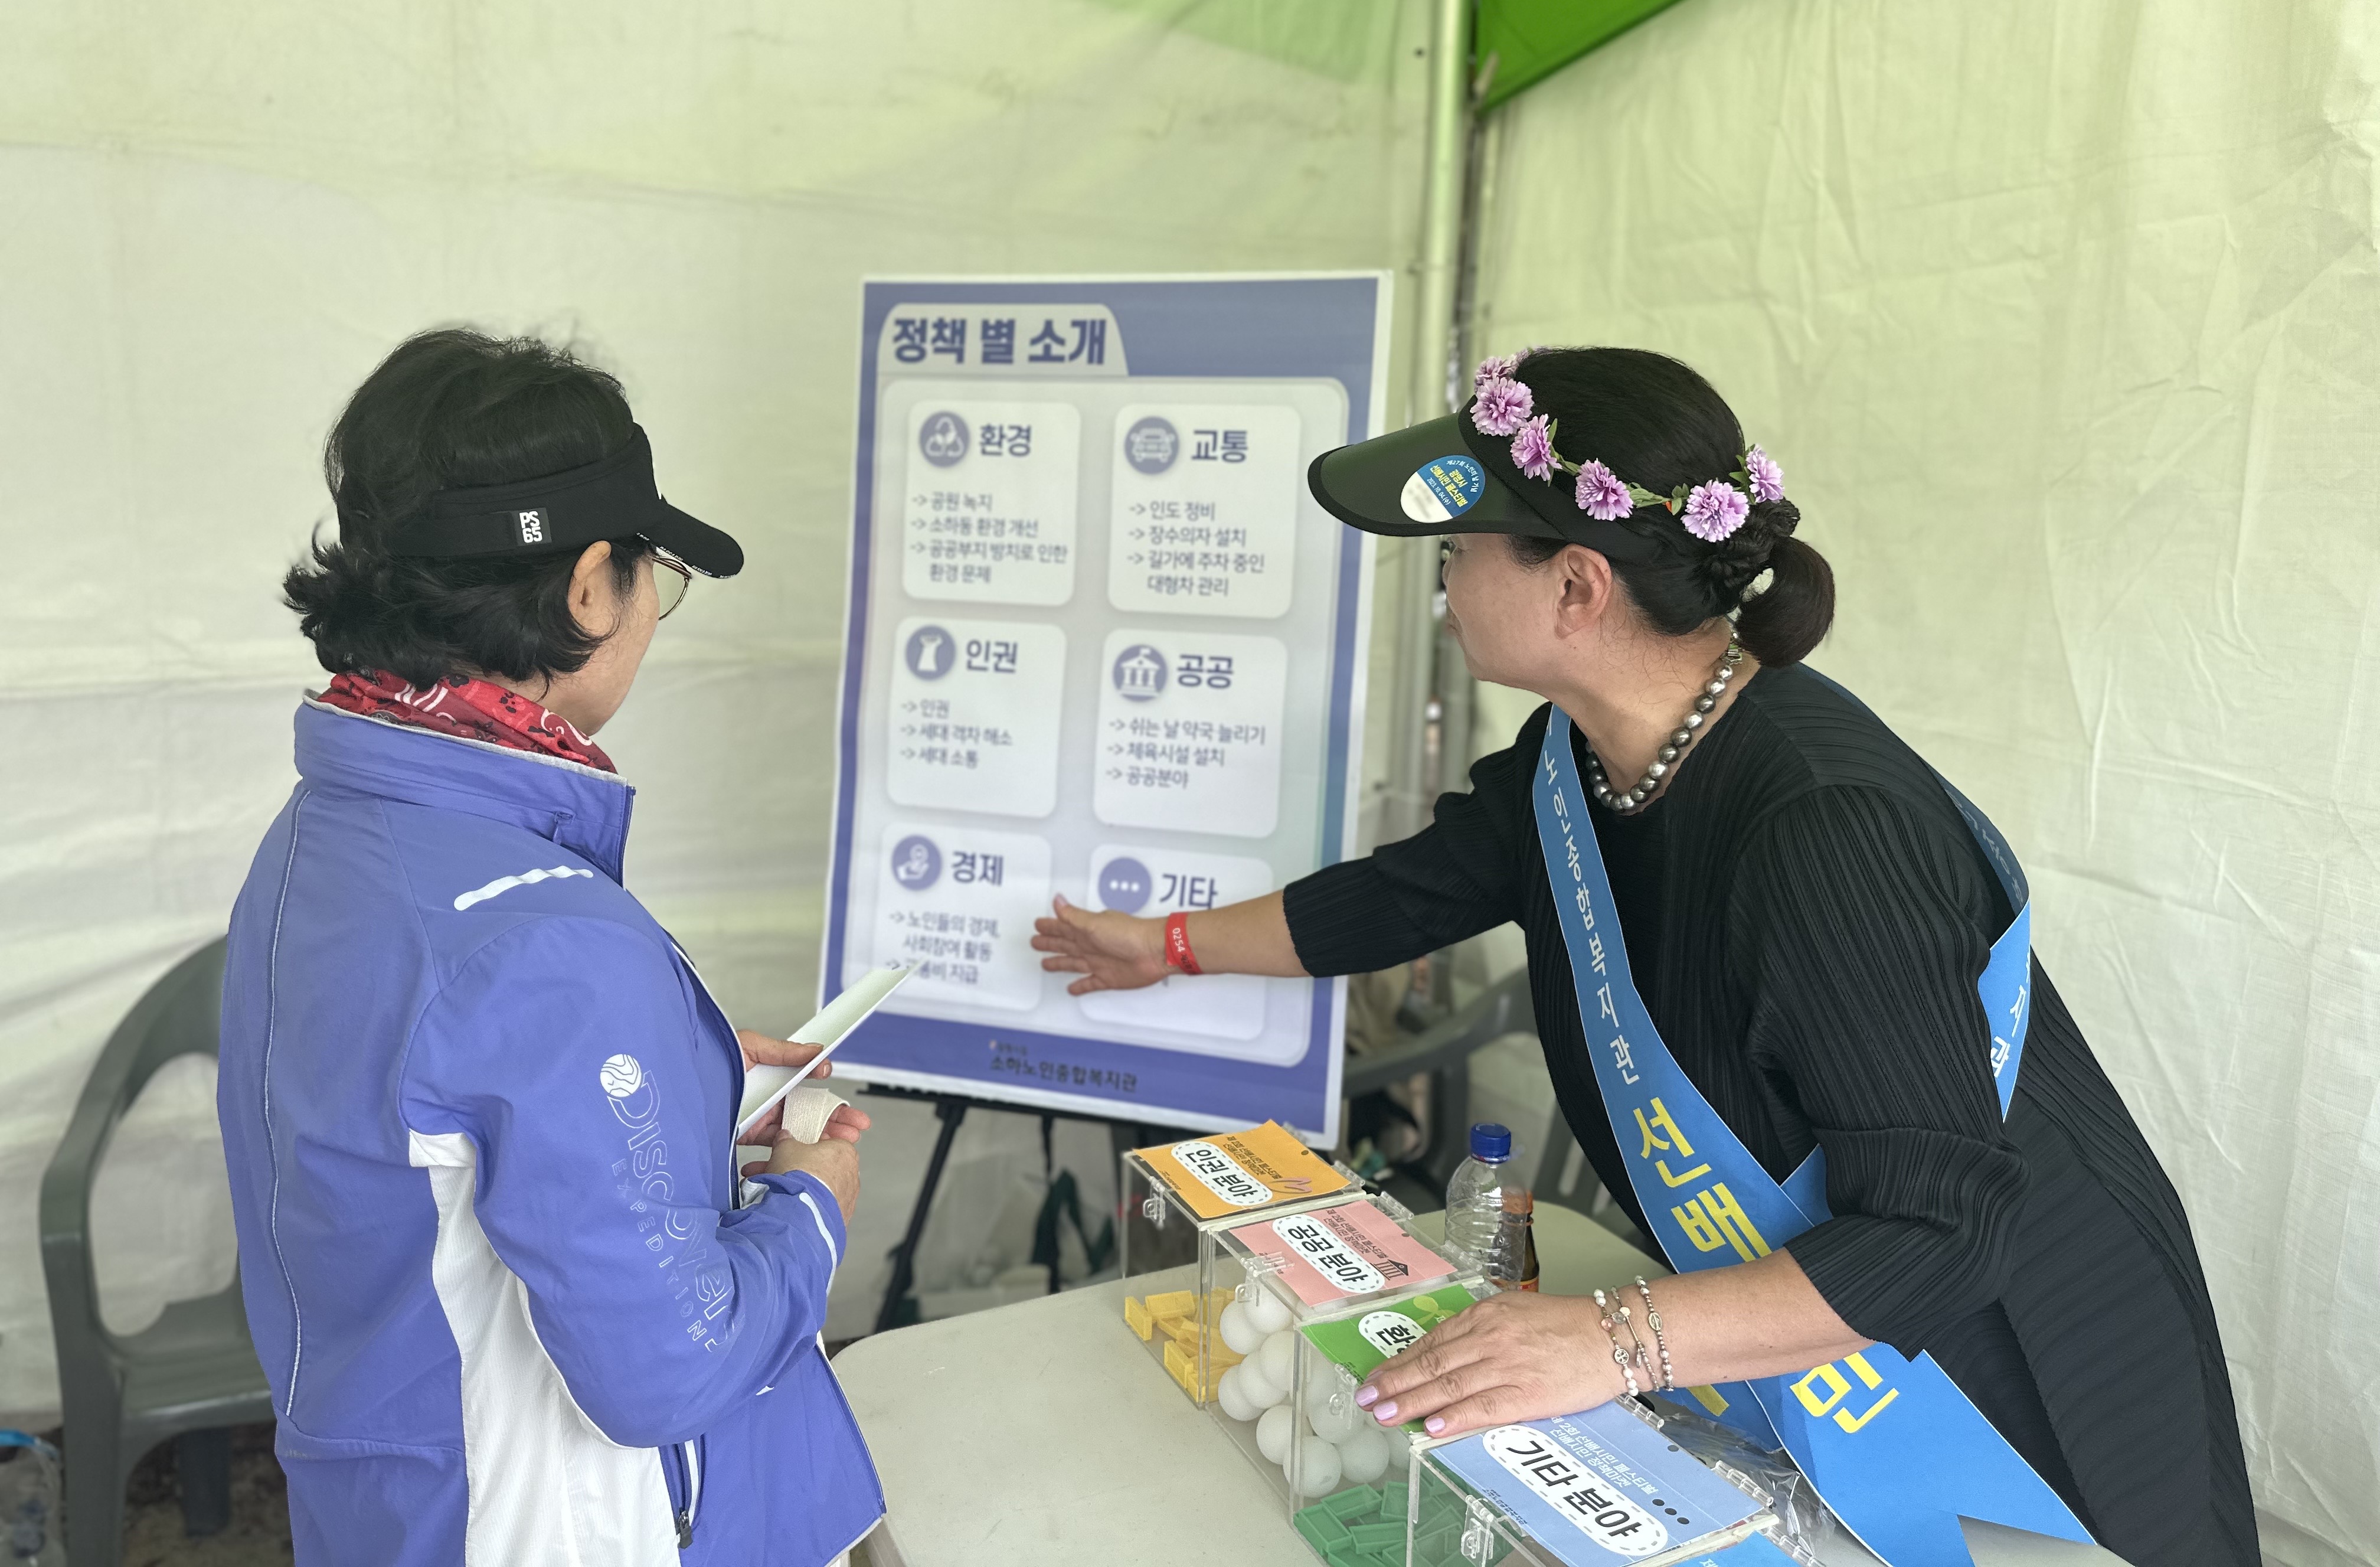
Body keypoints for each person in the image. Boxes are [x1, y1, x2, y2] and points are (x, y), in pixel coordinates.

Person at [1037, 347, 2254, 1567]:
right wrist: (1164, 948)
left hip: (2028, 1380)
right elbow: (1403, 897)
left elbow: (1937, 1231)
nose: (1443, 584)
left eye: (1456, 550)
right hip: (1805, 1354)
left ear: (1576, 587)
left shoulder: (1822, 827)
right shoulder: (1575, 760)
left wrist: (1605, 1340)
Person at [217, 329, 884, 1567]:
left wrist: (677, 1080)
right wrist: (812, 1211)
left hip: (391, 1503)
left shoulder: (321, 831)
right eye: (652, 575)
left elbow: (417, 1126)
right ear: (588, 590)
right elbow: (672, 1370)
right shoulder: (549, 942)